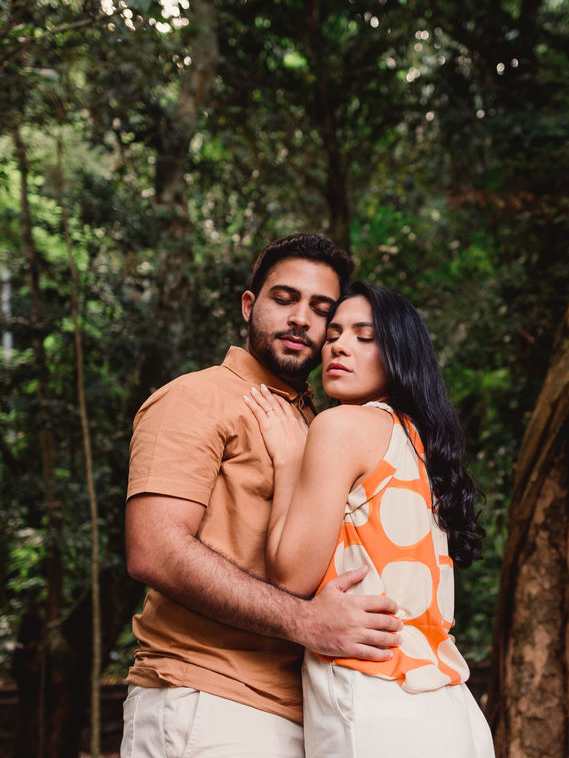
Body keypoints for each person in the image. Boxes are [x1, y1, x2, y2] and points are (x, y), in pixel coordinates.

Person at [122, 235, 404, 758]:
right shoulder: (196, 397)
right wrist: (306, 622)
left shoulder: (322, 424)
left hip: (310, 711)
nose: (301, 319)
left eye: (321, 310)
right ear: (250, 305)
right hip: (207, 700)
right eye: (284, 299)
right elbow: (153, 548)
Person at [241, 281, 495, 758]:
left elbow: (292, 576)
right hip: (451, 705)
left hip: (375, 700)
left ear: (399, 354)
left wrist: (288, 463)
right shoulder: (421, 444)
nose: (338, 344)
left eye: (365, 336)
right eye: (334, 333)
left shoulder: (340, 427)